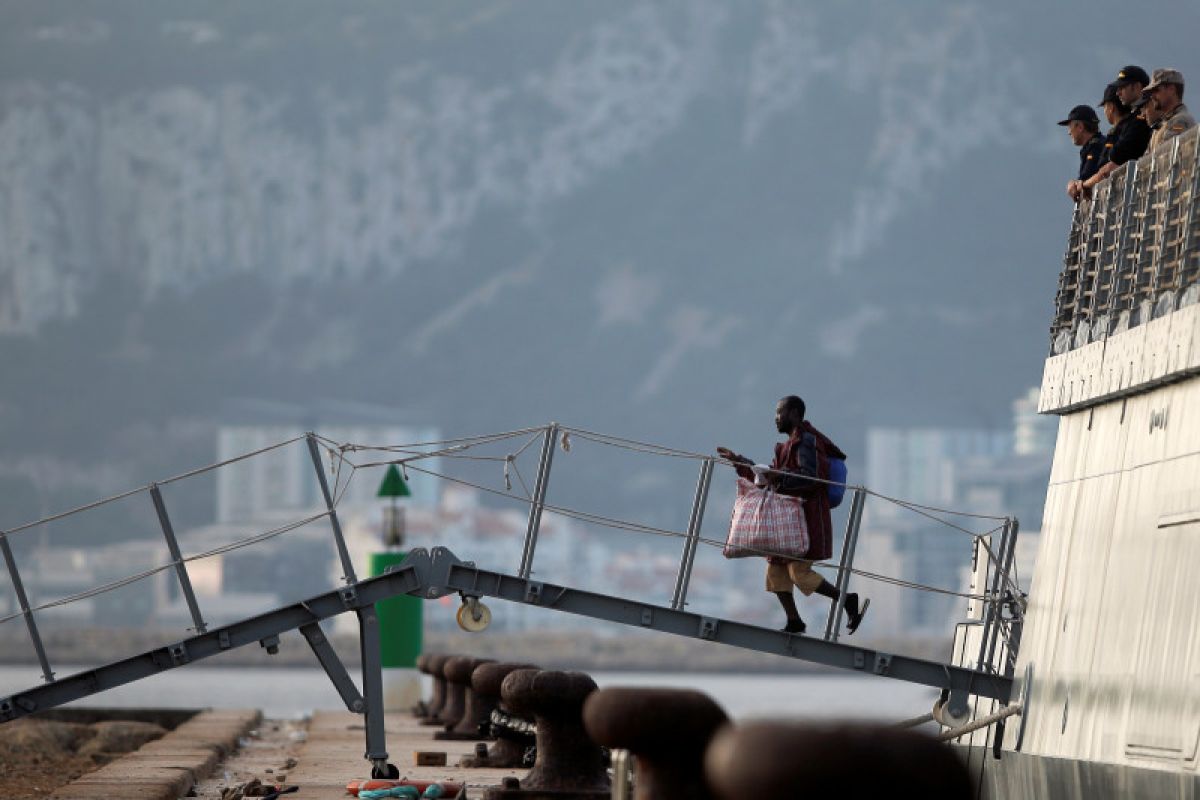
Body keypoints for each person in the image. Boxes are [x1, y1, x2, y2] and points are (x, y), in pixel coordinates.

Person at [717, 396, 869, 635]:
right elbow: (768, 476)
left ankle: (846, 600)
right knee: (775, 571)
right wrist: (741, 462)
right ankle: (794, 621)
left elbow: (811, 478)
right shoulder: (788, 446)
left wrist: (781, 477)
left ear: (795, 414)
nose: (776, 418)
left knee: (799, 572)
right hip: (788, 522)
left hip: (806, 520)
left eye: (780, 413)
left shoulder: (807, 442)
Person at [1081, 66, 1152, 194]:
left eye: (1122, 87)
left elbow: (1118, 155)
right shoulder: (1135, 117)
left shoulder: (1143, 117)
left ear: (1136, 87)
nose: (1118, 92)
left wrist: (1085, 185)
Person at [1060, 104, 1107, 201]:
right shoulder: (1096, 144)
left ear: (1080, 127)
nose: (1069, 132)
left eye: (1070, 127)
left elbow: (1088, 175)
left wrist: (1075, 185)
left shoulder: (1095, 146)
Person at [1143, 68, 1195, 151]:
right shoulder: (1161, 126)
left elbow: (1165, 156)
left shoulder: (1180, 121)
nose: (1152, 96)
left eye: (1156, 90)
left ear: (1172, 89)